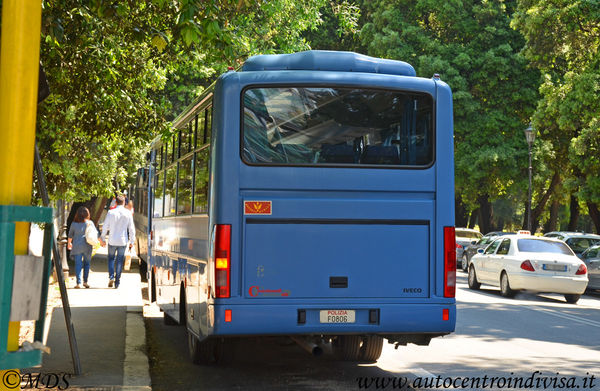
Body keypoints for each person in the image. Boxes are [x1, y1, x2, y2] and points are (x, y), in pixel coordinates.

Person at [100, 194, 136, 288]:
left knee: (111, 259)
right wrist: (132, 242)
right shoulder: (128, 213)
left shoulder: (111, 212)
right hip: (123, 241)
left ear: (116, 202)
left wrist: (102, 238)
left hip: (112, 240)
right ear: (124, 203)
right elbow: (131, 229)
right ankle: (117, 281)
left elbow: (105, 227)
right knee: (120, 260)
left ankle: (111, 276)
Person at [67, 206, 94, 289]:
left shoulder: (74, 224)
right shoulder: (90, 223)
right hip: (87, 246)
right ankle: (85, 282)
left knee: (78, 264)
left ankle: (78, 282)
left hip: (77, 246)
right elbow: (95, 233)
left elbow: (70, 235)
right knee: (87, 263)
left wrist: (69, 243)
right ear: (87, 214)